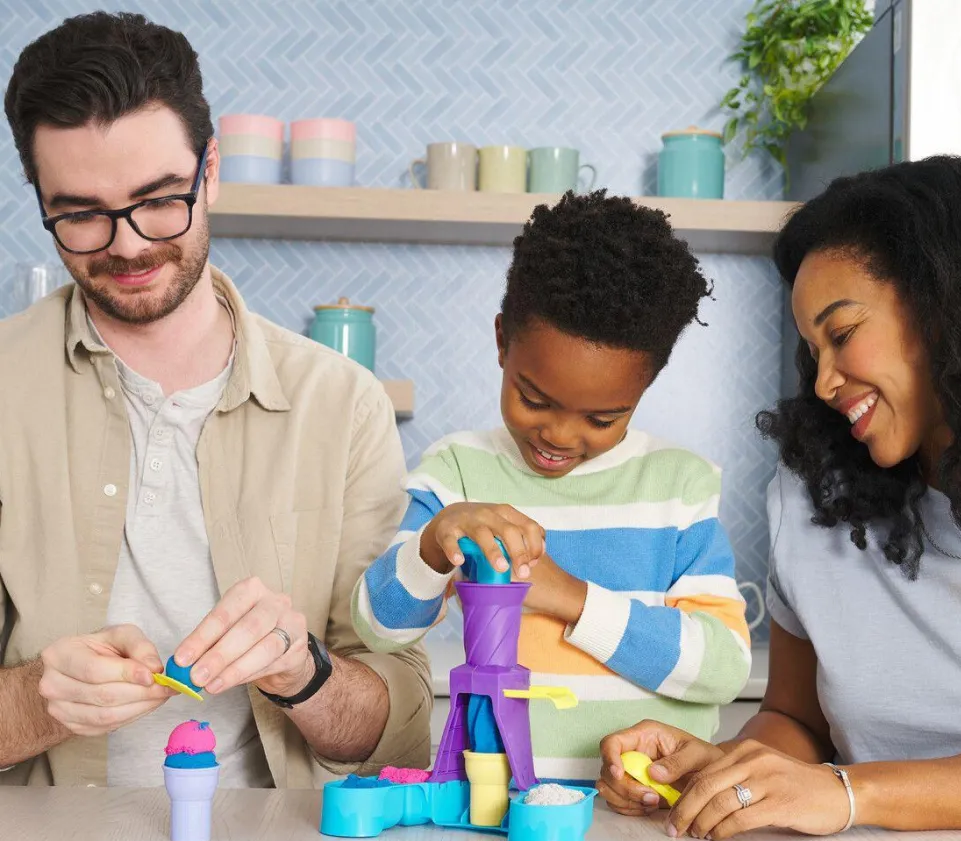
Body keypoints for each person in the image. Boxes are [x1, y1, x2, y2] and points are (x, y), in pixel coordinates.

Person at [0, 12, 430, 787]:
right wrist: (39, 700)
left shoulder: (343, 407)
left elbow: (398, 736)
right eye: (81, 215)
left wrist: (304, 672)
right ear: (40, 200)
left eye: (159, 198)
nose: (127, 245)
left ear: (212, 170)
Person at [598, 156, 961, 840]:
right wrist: (725, 768)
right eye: (814, 351)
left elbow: (835, 787)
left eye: (841, 335)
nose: (824, 382)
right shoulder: (812, 498)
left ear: (948, 306)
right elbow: (797, 720)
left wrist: (849, 793)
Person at [352, 190, 752, 780]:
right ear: (500, 342)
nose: (560, 436)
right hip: (500, 808)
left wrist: (569, 596)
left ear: (646, 388)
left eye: (602, 418)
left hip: (650, 817)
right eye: (535, 399)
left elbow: (723, 667)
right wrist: (435, 543)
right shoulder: (459, 473)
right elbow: (379, 629)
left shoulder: (679, 488)